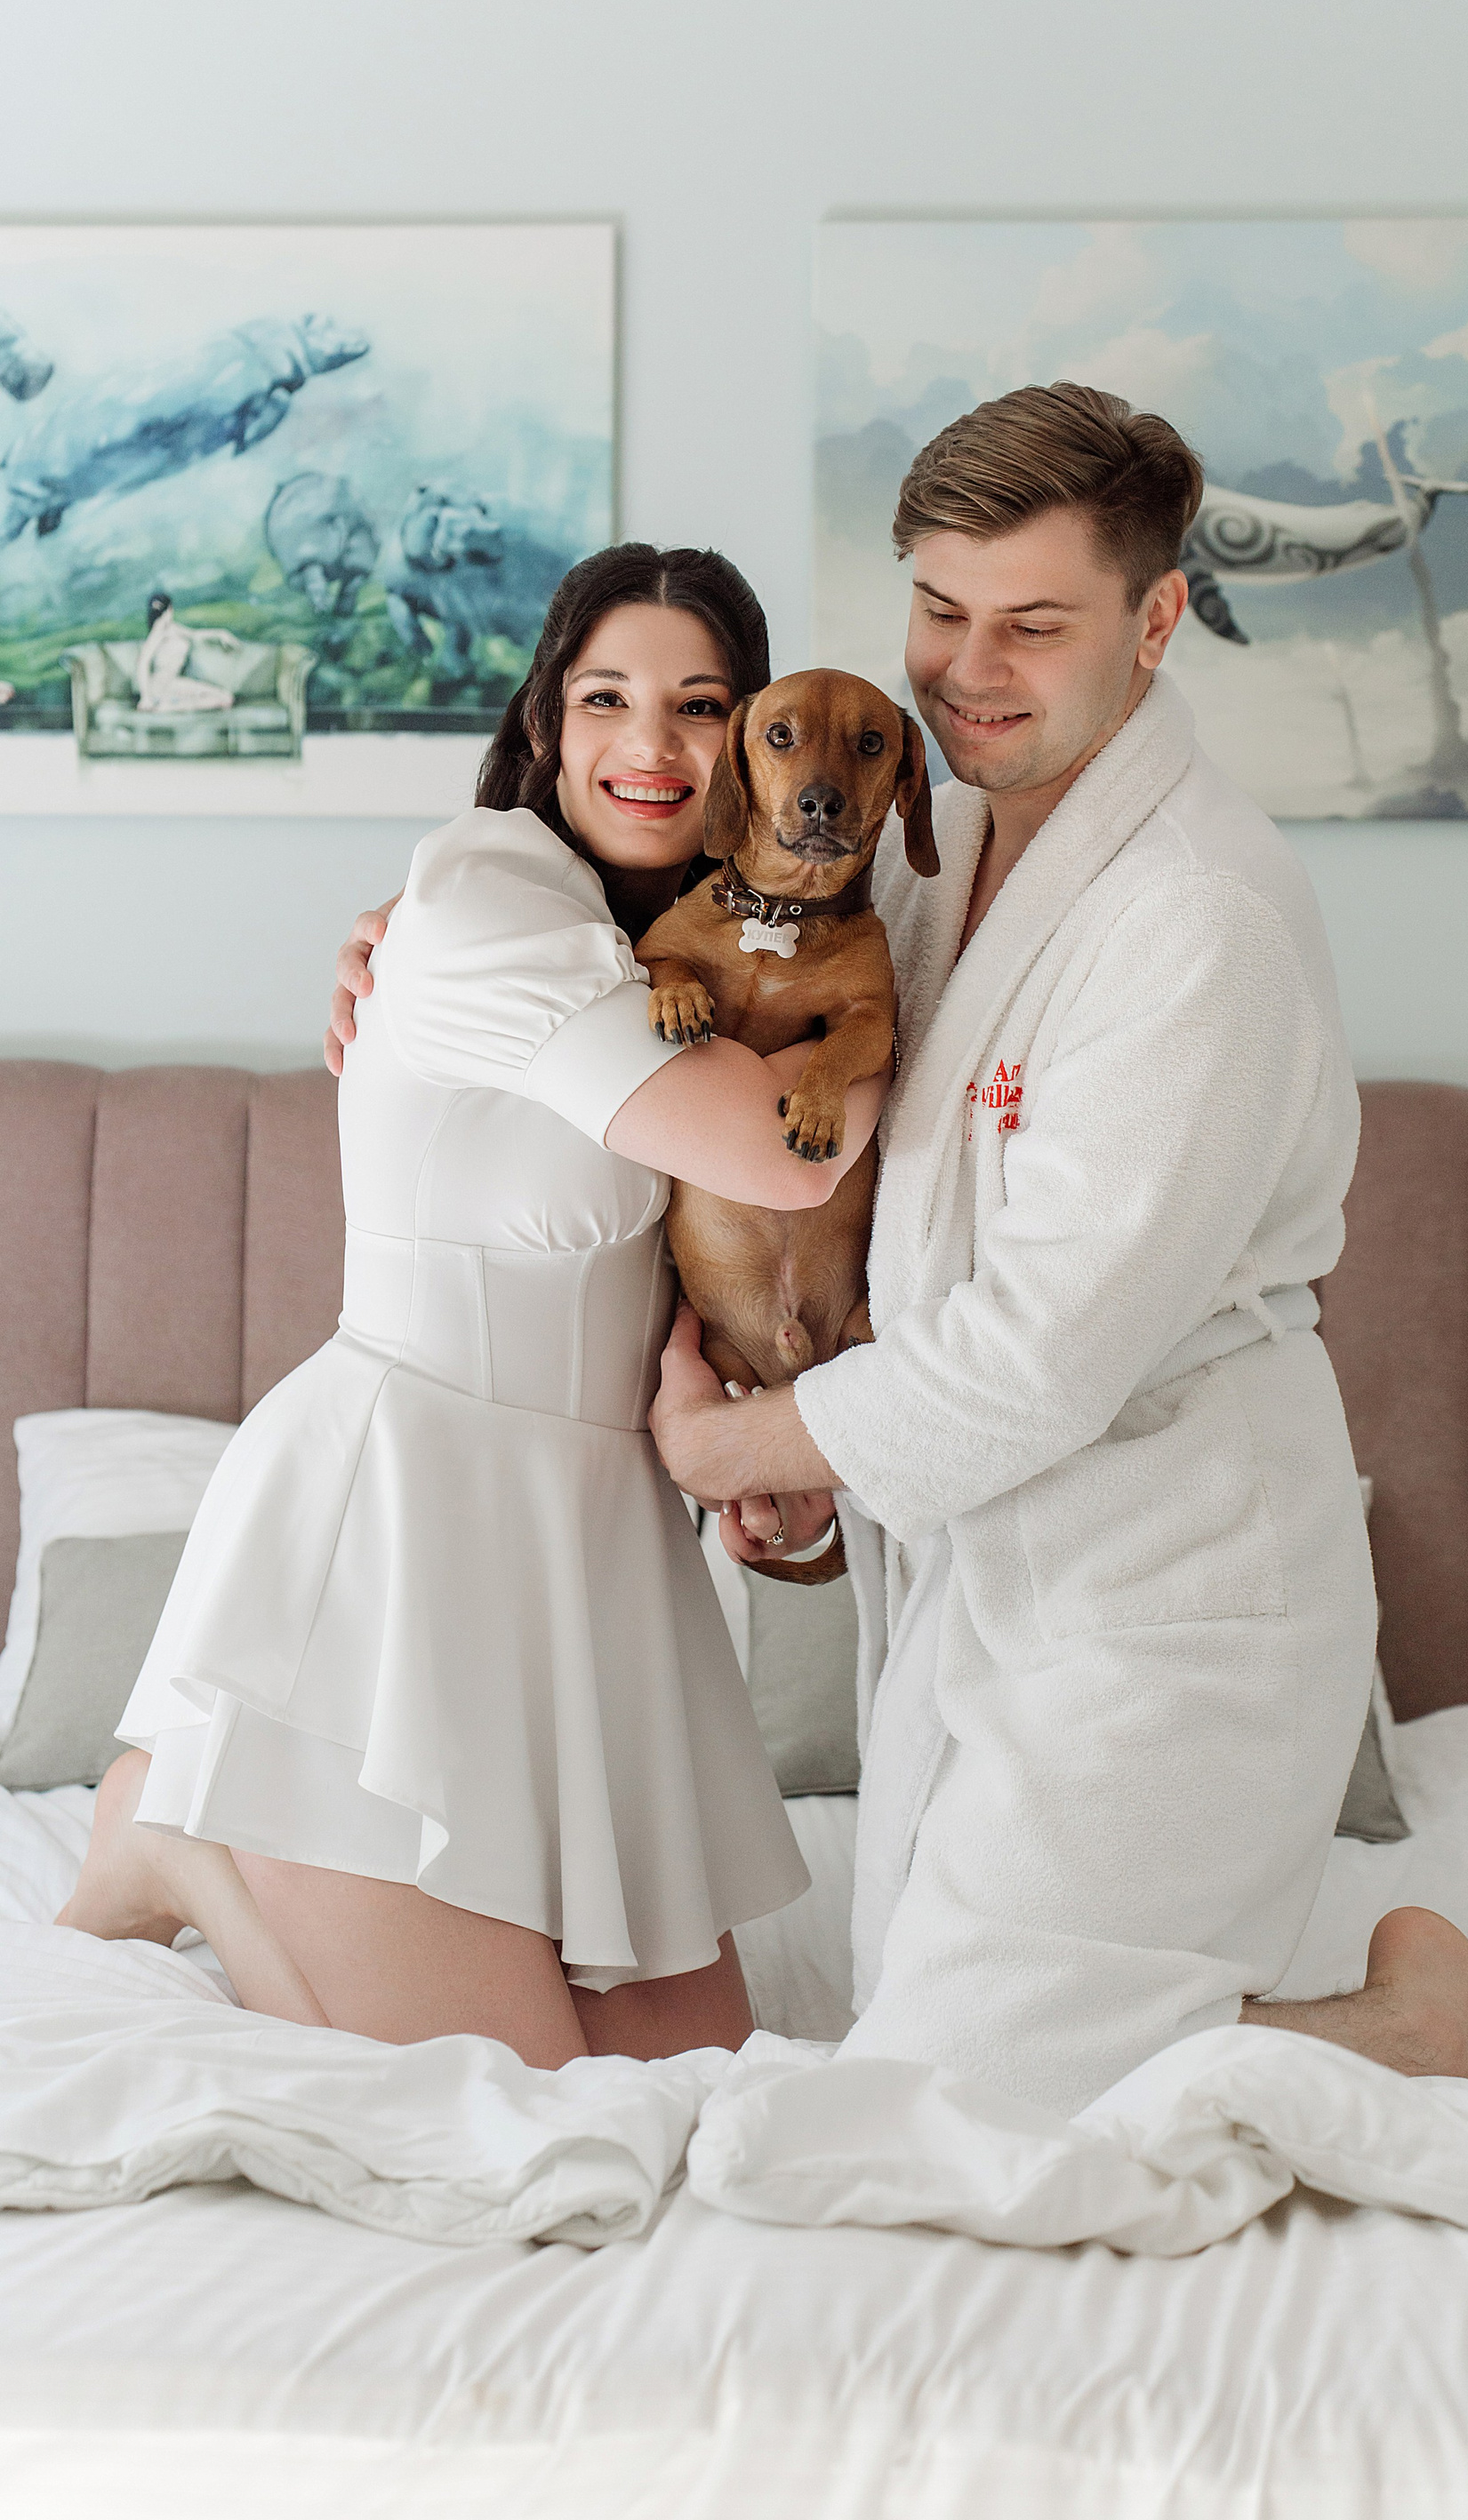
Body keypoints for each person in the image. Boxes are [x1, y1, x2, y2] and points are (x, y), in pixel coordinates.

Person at [645, 384, 1468, 2111]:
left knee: (957, 2105)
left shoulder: (1195, 917)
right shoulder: (944, 849)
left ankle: (1443, 2005)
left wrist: (735, 1446)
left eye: (1034, 624)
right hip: (986, 1575)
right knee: (932, 2042)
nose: (967, 669)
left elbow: (1037, 1356)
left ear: (1155, 622)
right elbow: (738, 971)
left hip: (1168, 1595)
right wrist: (438, 925)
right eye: (940, 609)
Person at [59, 543, 889, 2068]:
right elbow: (787, 1153)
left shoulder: (671, 952)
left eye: (702, 705)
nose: (651, 745)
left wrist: (750, 1445)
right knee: (524, 2102)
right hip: (405, 1526)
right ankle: (173, 1834)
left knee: (687, 2085)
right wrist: (892, 1026)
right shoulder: (484, 895)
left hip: (590, 1552)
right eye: (605, 699)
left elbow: (709, 1253)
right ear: (547, 724)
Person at [133, 594, 240, 714]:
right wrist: (145, 697)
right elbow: (143, 661)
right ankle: (167, 706)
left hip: (171, 683)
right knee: (224, 699)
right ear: (170, 609)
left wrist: (220, 633)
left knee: (225, 698)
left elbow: (195, 635)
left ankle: (171, 705)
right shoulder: (159, 629)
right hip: (162, 684)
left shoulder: (172, 627)